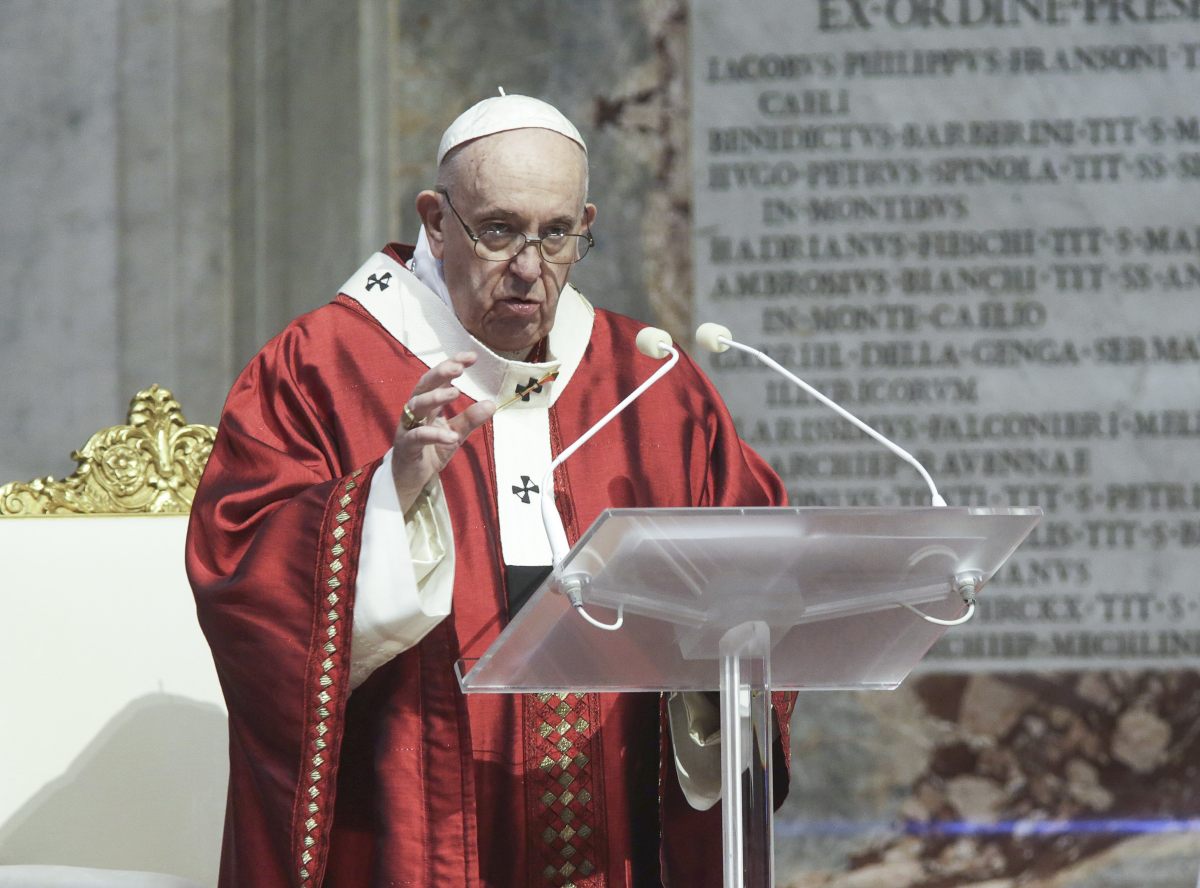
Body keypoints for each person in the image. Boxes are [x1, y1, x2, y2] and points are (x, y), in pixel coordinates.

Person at [187, 93, 793, 888]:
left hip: (613, 813)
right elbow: (242, 574)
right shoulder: (320, 365)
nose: (531, 269)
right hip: (410, 815)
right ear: (436, 222)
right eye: (499, 230)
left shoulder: (645, 375)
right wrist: (384, 498)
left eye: (558, 233)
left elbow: (754, 568)